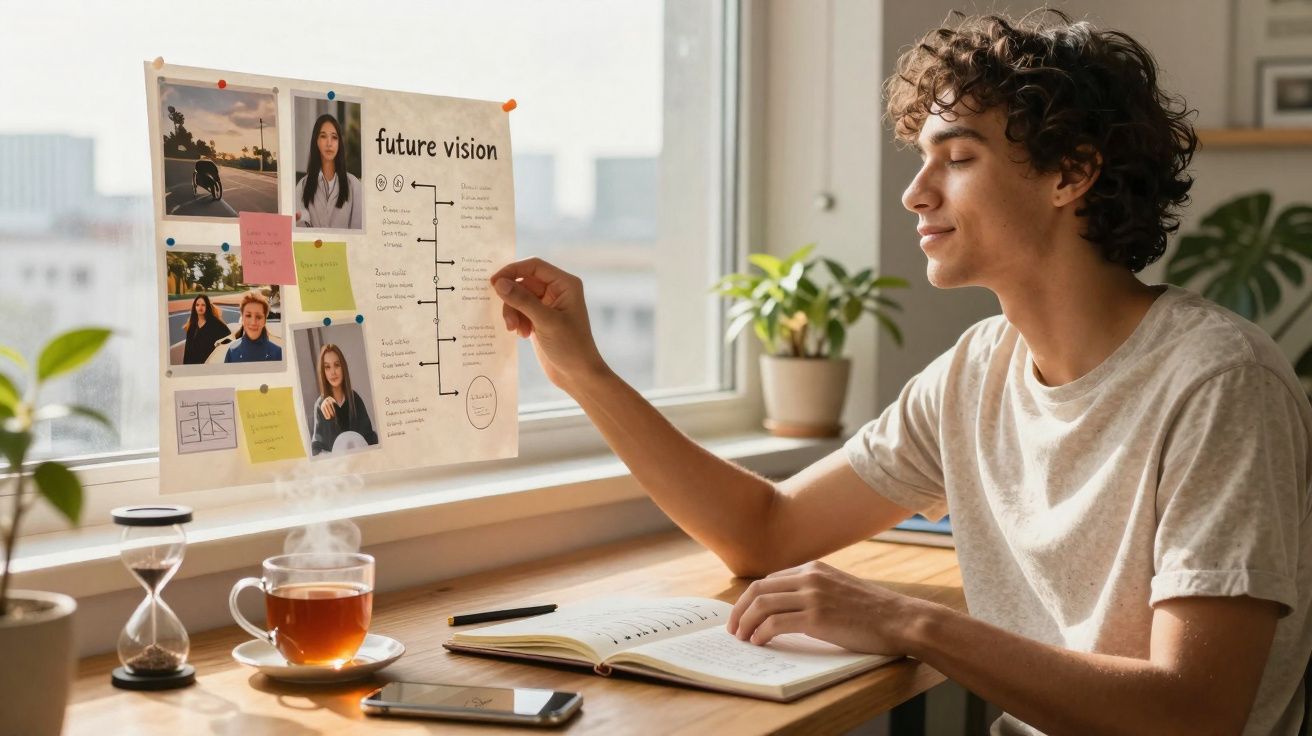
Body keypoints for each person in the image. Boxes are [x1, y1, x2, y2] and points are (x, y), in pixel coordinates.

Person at [489, 11, 1311, 735]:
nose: (916, 194)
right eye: (922, 159)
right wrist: (586, 374)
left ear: (1071, 174)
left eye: (955, 158)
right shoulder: (975, 371)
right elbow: (765, 533)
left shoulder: (1219, 383)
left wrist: (914, 623)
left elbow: (1194, 717)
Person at [294, 113, 363, 229]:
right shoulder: (302, 186)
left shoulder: (354, 185)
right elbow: (300, 227)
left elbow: (359, 234)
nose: (329, 143)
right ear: (316, 141)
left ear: (339, 143)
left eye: (334, 137)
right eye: (323, 136)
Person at [310, 343, 377, 455]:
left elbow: (370, 438)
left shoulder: (354, 399)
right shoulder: (320, 405)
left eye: (337, 365)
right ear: (323, 371)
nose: (333, 372)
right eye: (327, 367)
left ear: (343, 367)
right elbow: (317, 448)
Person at [223, 291, 282, 363]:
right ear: (242, 318)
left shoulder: (277, 353)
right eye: (248, 315)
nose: (253, 322)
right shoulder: (232, 351)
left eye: (258, 317)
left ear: (264, 321)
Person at [181, 293, 230, 364]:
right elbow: (187, 350)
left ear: (207, 307)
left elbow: (228, 337)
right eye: (197, 305)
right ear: (194, 307)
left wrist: (217, 354)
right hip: (193, 365)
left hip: (209, 364)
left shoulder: (214, 323)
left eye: (203, 305)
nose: (200, 307)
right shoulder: (192, 325)